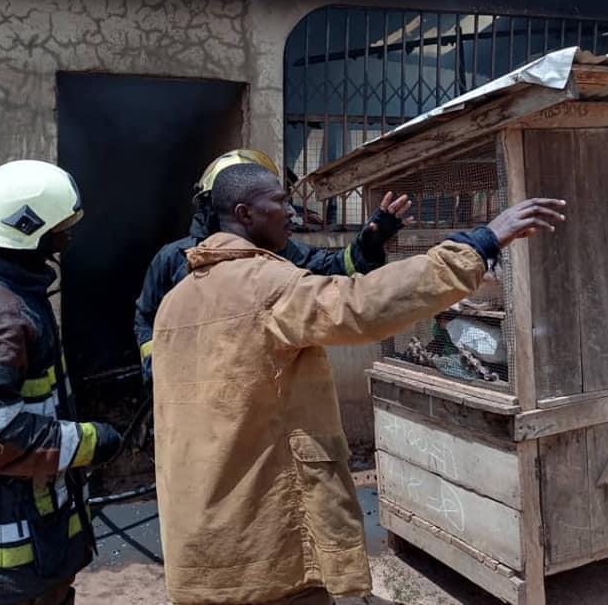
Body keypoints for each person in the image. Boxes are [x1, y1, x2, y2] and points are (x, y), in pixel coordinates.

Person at [152, 163, 565, 605]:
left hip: (198, 540)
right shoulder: (265, 285)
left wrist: (372, 239)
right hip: (266, 542)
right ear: (245, 213)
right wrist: (476, 245)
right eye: (280, 203)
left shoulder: (175, 301)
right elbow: (361, 306)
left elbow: (339, 273)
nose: (292, 213)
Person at [0, 160, 122, 605]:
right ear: (31, 228)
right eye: (62, 225)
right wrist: (89, 441)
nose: (70, 234)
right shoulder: (7, 316)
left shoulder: (21, 299)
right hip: (12, 543)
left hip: (29, 525)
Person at [134, 149, 408, 378]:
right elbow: (146, 318)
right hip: (190, 390)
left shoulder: (280, 252)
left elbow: (332, 268)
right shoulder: (173, 259)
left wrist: (368, 244)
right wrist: (156, 366)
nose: (289, 211)